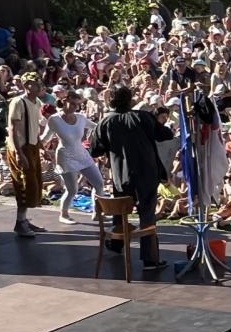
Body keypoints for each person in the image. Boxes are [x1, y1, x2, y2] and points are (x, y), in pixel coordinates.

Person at [89, 85, 176, 272]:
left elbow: (95, 150)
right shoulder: (143, 117)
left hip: (121, 175)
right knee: (147, 215)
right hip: (147, 174)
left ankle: (116, 243)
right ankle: (150, 260)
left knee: (120, 209)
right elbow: (165, 135)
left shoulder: (105, 122)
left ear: (111, 100)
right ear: (130, 100)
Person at [47, 90, 105, 224]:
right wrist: (41, 149)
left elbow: (97, 127)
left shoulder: (81, 118)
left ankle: (97, 213)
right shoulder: (54, 119)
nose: (75, 107)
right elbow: (45, 138)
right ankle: (64, 215)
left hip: (82, 154)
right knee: (72, 190)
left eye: (78, 104)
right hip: (65, 156)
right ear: (64, 101)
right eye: (73, 103)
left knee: (99, 183)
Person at [5, 73, 46, 237]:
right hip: (21, 147)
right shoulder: (18, 102)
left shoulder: (37, 102)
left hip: (32, 146)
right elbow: (13, 129)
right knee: (23, 184)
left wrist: (42, 148)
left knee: (34, 184)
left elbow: (34, 127)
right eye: (33, 83)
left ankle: (24, 219)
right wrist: (19, 153)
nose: (38, 86)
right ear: (25, 85)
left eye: (38, 83)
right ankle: (20, 223)